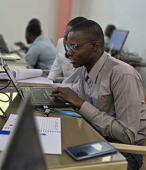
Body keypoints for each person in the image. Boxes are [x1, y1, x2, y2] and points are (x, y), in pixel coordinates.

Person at [49, 20, 146, 170]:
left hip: (124, 150)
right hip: (95, 137)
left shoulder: (123, 75)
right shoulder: (84, 67)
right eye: (68, 46)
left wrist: (81, 104)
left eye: (74, 47)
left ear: (94, 46)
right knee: (53, 152)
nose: (68, 53)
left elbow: (128, 135)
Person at [48, 17, 87, 92]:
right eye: (66, 38)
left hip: (76, 94)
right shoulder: (60, 43)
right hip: (63, 89)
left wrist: (55, 86)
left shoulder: (85, 55)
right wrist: (48, 82)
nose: (67, 43)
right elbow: (56, 66)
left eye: (73, 40)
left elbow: (80, 88)